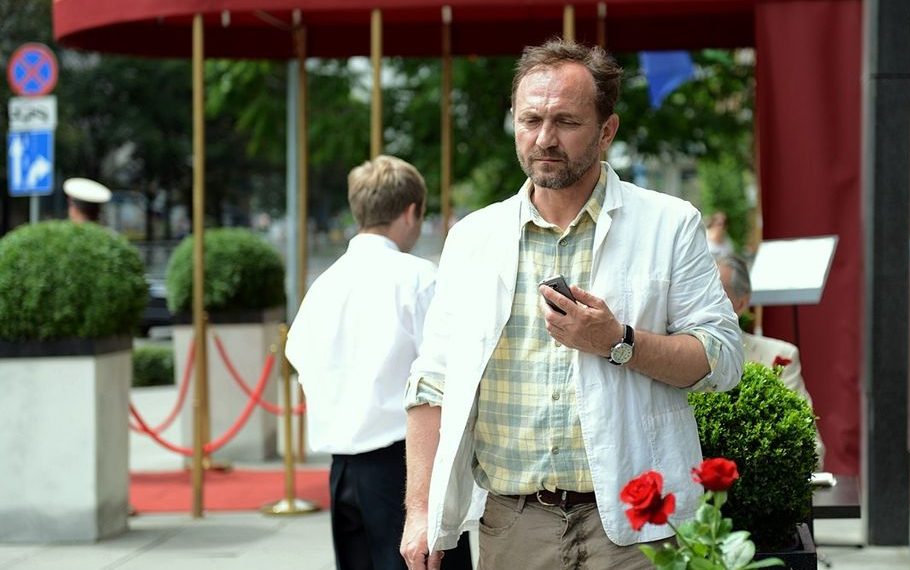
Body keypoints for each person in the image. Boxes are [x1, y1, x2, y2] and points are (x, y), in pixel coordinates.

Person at [401, 40, 743, 570]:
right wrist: (421, 511)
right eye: (530, 119)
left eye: (565, 121)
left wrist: (618, 342)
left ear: (607, 130)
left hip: (638, 526)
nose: (544, 138)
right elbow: (432, 382)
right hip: (513, 524)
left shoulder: (670, 224)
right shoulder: (472, 238)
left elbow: (722, 358)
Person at [285, 155, 472, 570]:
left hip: (343, 470)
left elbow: (298, 358)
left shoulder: (323, 285)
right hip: (406, 467)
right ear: (411, 212)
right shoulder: (420, 278)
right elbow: (446, 371)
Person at [715, 253, 826, 468]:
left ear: (742, 303)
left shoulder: (779, 356)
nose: (703, 301)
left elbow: (811, 448)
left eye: (716, 292)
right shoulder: (671, 357)